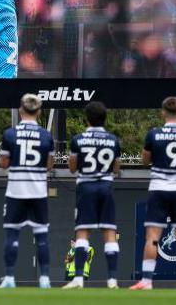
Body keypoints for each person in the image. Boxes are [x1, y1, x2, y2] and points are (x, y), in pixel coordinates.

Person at [131, 97, 176, 290]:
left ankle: (146, 280)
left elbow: (145, 160)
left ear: (163, 112)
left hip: (159, 188)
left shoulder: (153, 134)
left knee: (152, 236)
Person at [0, 94, 56, 288]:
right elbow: (49, 165)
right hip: (38, 191)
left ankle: (9, 278)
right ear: (39, 112)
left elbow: (3, 164)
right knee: (41, 236)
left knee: (12, 235)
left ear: (21, 110)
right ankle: (45, 279)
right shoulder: (47, 136)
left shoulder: (9, 134)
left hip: (15, 191)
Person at [64, 101, 122, 289]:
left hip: (86, 186)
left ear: (86, 118)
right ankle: (112, 280)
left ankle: (78, 279)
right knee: (109, 233)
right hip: (105, 186)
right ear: (105, 118)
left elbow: (72, 168)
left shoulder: (78, 140)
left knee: (82, 232)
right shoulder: (113, 140)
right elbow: (116, 168)